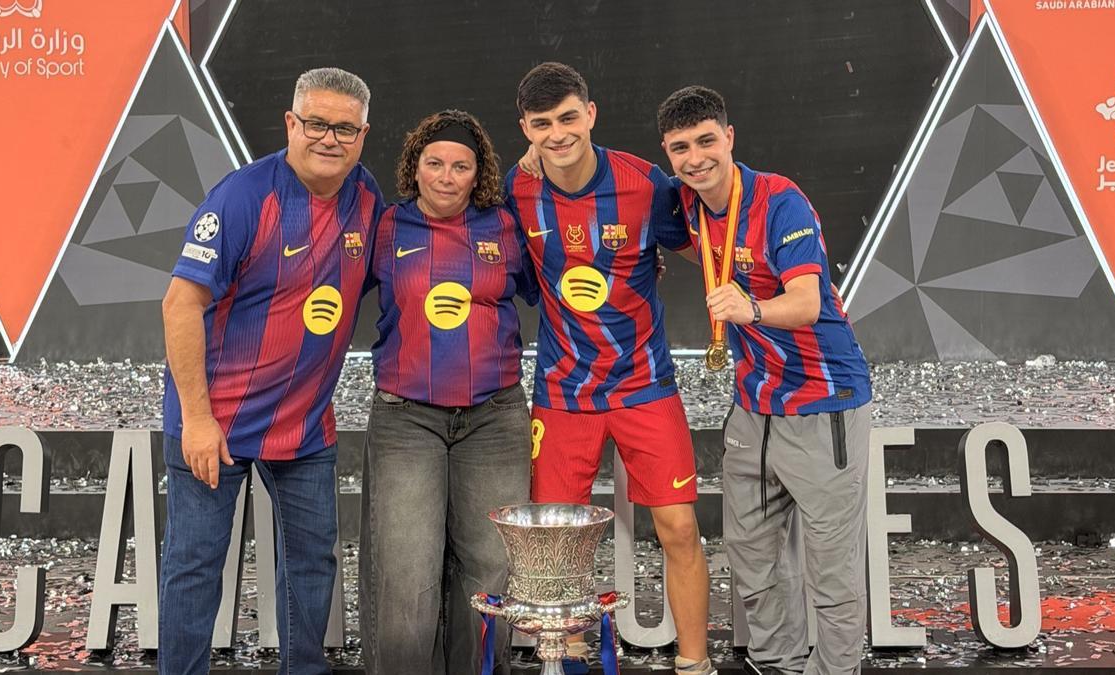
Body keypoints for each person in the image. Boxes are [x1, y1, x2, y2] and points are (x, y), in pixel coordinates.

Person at [159, 67, 382, 675]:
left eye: (344, 129)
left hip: (304, 428)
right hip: (216, 424)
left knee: (311, 566)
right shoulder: (242, 198)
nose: (329, 139)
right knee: (195, 566)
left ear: (363, 135)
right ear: (291, 123)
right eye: (316, 124)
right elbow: (180, 305)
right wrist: (197, 420)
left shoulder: (366, 196)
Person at [506, 62, 716, 675]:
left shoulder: (644, 183)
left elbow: (707, 241)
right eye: (542, 124)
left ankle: (695, 664)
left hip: (644, 384)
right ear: (526, 129)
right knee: (558, 545)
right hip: (562, 391)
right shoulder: (517, 189)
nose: (558, 134)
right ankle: (567, 664)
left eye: (568, 118)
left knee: (679, 528)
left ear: (591, 113)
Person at [657, 85, 873, 674]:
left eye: (706, 141)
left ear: (729, 137)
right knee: (752, 558)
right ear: (668, 152)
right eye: (681, 148)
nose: (695, 158)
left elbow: (806, 302)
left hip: (823, 400)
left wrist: (749, 308)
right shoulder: (685, 201)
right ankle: (778, 664)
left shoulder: (781, 201)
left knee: (831, 573)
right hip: (754, 405)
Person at [358, 109, 535, 675]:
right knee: (406, 576)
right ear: (415, 166)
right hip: (406, 420)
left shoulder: (504, 227)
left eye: (461, 166)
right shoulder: (387, 228)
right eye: (434, 163)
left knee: (491, 574)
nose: (446, 177)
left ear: (478, 174)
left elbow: (556, 282)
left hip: (494, 418)